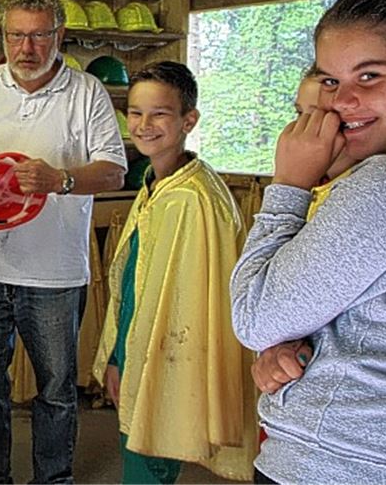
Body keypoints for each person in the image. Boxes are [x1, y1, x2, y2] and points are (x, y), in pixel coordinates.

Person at [0, 0, 127, 484]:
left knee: (57, 391)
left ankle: (53, 480)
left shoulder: (88, 93)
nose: (26, 48)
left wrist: (60, 180)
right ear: (3, 35)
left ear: (59, 35)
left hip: (55, 275)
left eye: (39, 36)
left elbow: (113, 172)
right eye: (16, 35)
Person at [230, 0, 386, 484]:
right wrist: (300, 345)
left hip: (338, 462)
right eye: (330, 81)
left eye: (368, 75)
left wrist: (288, 184)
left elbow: (256, 317)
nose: (342, 102)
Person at [92, 61, 255, 483]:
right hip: (137, 350)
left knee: (150, 455)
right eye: (135, 112)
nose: (144, 125)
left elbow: (188, 303)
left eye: (160, 113)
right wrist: (117, 357)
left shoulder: (192, 199)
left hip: (168, 356)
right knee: (142, 448)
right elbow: (136, 284)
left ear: (189, 120)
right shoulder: (155, 180)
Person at [250, 66, 362, 394]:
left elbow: (257, 316)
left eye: (320, 120)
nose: (299, 132)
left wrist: (286, 183)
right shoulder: (315, 192)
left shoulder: (360, 201)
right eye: (299, 114)